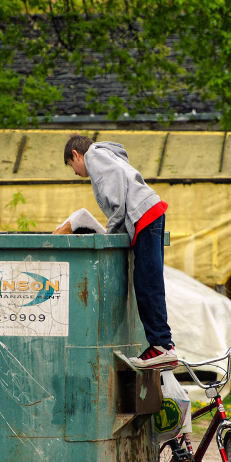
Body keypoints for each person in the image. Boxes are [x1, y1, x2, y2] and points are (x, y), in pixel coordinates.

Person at [64, 134, 176, 369]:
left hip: (144, 215)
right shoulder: (105, 154)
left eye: (72, 166)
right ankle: (162, 345)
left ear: (76, 154)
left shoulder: (94, 154)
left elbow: (116, 184)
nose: (75, 172)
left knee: (147, 282)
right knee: (149, 280)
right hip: (151, 211)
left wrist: (111, 230)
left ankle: (162, 346)